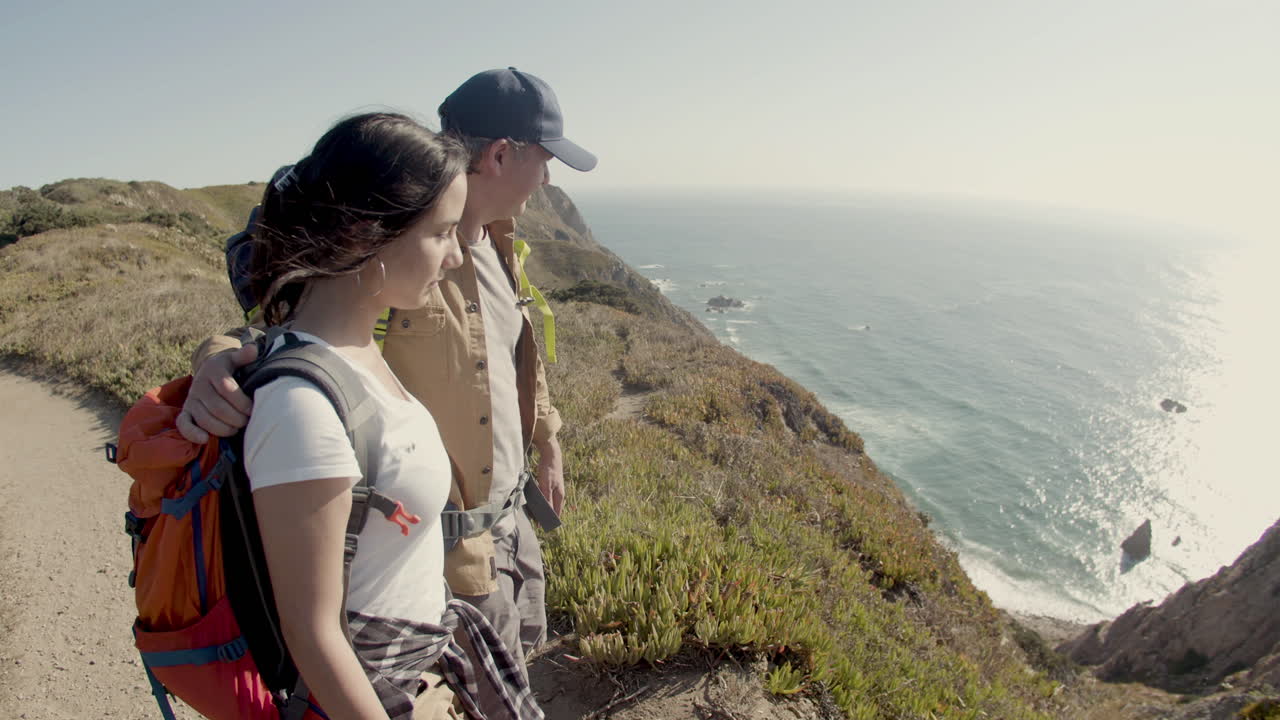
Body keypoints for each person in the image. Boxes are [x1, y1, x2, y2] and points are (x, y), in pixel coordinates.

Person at [179, 68, 597, 678]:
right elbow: (297, 328)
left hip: (510, 523)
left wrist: (548, 439)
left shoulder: (501, 241)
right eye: (545, 157)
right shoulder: (399, 254)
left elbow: (514, 356)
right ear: (503, 154)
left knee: (515, 669)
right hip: (440, 561)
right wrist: (215, 359)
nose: (550, 176)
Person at [230, 112, 540, 720]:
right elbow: (316, 637)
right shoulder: (302, 409)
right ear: (368, 235)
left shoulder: (357, 351)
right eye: (442, 233)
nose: (455, 257)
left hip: (416, 674)